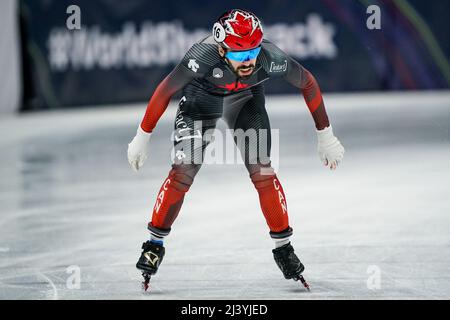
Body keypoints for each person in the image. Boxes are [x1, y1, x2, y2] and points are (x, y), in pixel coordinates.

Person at [127, 9, 345, 290]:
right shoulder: (201, 56)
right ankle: (154, 244)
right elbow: (165, 90)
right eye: (240, 55)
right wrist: (142, 135)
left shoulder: (270, 57)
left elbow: (308, 83)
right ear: (220, 48)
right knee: (183, 172)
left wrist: (325, 134)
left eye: (253, 52)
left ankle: (284, 248)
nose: (249, 61)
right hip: (201, 100)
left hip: (246, 99)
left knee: (263, 172)